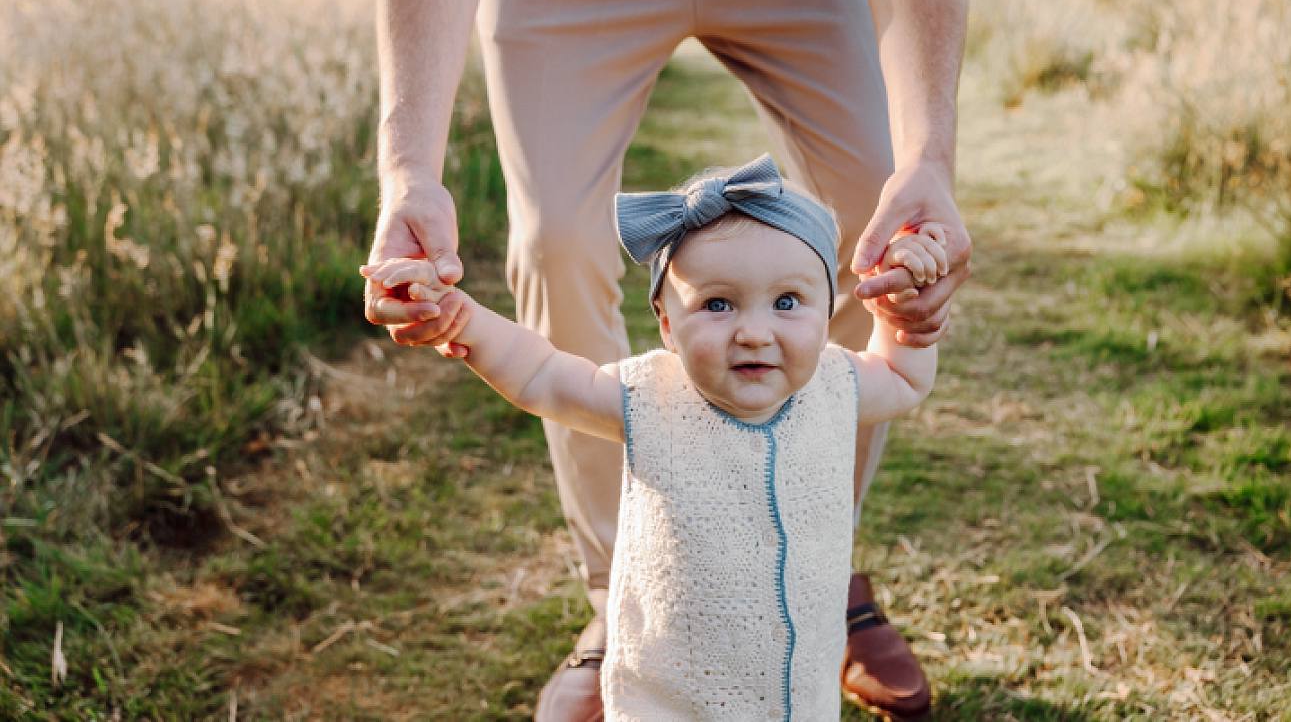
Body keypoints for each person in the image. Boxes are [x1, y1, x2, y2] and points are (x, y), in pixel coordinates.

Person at [361, 0, 971, 722]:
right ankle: (623, 597)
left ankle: (816, 567)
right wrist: (410, 171)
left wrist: (930, 162)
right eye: (714, 305)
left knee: (876, 217)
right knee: (556, 240)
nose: (750, 327)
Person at [366, 157, 944, 722]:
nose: (754, 332)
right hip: (671, 698)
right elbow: (542, 375)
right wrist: (461, 319)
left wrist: (902, 316)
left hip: (799, 695)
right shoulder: (648, 397)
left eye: (787, 303)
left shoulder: (837, 386)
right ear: (667, 323)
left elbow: (903, 374)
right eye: (717, 304)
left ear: (826, 313)